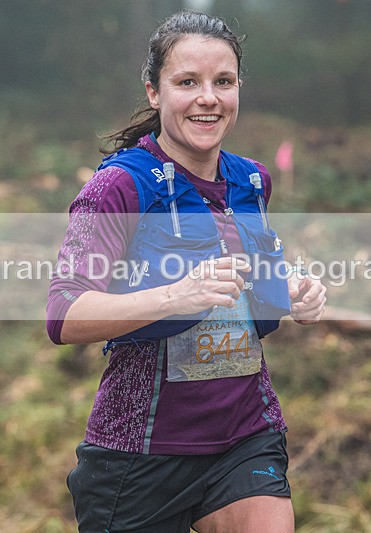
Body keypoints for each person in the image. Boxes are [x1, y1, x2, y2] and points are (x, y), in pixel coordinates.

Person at [47, 11, 326, 533]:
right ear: (154, 92)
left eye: (223, 82)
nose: (209, 98)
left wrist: (291, 292)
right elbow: (63, 314)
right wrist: (175, 295)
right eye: (187, 82)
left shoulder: (252, 180)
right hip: (140, 454)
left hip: (245, 434)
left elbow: (248, 280)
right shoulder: (118, 189)